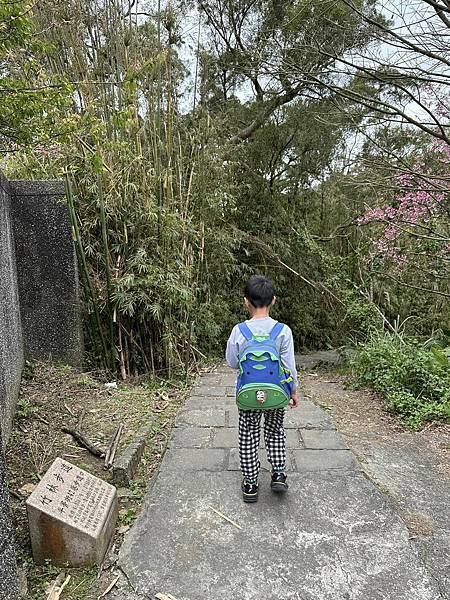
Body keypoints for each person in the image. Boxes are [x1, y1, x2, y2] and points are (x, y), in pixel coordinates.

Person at [225, 275, 299, 503]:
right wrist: (293, 391)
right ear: (274, 300)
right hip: (276, 392)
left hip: (248, 393)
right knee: (275, 430)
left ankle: (250, 484)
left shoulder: (239, 331)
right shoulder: (283, 331)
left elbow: (232, 362)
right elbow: (289, 366)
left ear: (246, 301)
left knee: (248, 434)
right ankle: (278, 473)